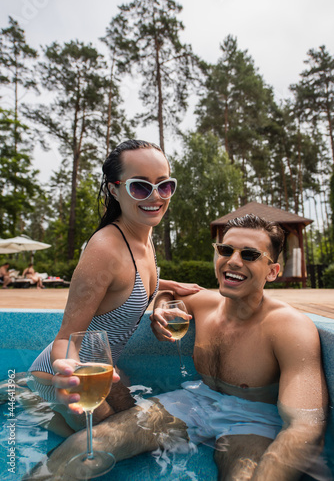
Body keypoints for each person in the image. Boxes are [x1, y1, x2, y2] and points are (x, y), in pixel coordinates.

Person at [27, 214, 329, 481]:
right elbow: (168, 291)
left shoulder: (290, 328)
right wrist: (160, 310)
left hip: (253, 418)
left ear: (272, 271)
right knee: (88, 445)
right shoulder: (204, 303)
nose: (233, 261)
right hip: (196, 400)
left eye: (249, 254)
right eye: (226, 250)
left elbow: (305, 426)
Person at [27, 139, 200, 432]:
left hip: (106, 369)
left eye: (164, 185)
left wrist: (167, 286)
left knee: (137, 424)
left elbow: (127, 285)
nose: (155, 196)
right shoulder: (105, 249)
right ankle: (28, 397)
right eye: (140, 186)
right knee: (110, 439)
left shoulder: (144, 232)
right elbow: (65, 339)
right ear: (114, 189)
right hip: (69, 379)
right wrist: (71, 374)